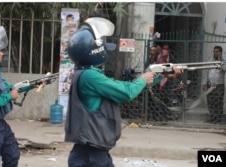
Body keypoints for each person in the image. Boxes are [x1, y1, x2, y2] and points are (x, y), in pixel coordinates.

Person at [64, 17, 183, 167]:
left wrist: (160, 75)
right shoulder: (90, 76)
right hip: (91, 154)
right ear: (95, 50)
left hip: (92, 149)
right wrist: (144, 78)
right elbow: (126, 93)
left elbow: (123, 86)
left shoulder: (85, 73)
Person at [0, 26, 45, 167]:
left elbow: (12, 87)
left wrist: (33, 84)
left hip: (0, 123)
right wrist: (9, 96)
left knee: (12, 155)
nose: (2, 54)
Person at [202, 46, 226, 124]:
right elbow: (207, 72)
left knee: (218, 102)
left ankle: (218, 119)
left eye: (217, 52)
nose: (215, 53)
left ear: (220, 52)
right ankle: (212, 117)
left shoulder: (224, 61)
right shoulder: (210, 60)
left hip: (219, 85)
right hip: (210, 85)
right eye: (214, 51)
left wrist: (220, 62)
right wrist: (204, 83)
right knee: (210, 102)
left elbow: (224, 69)